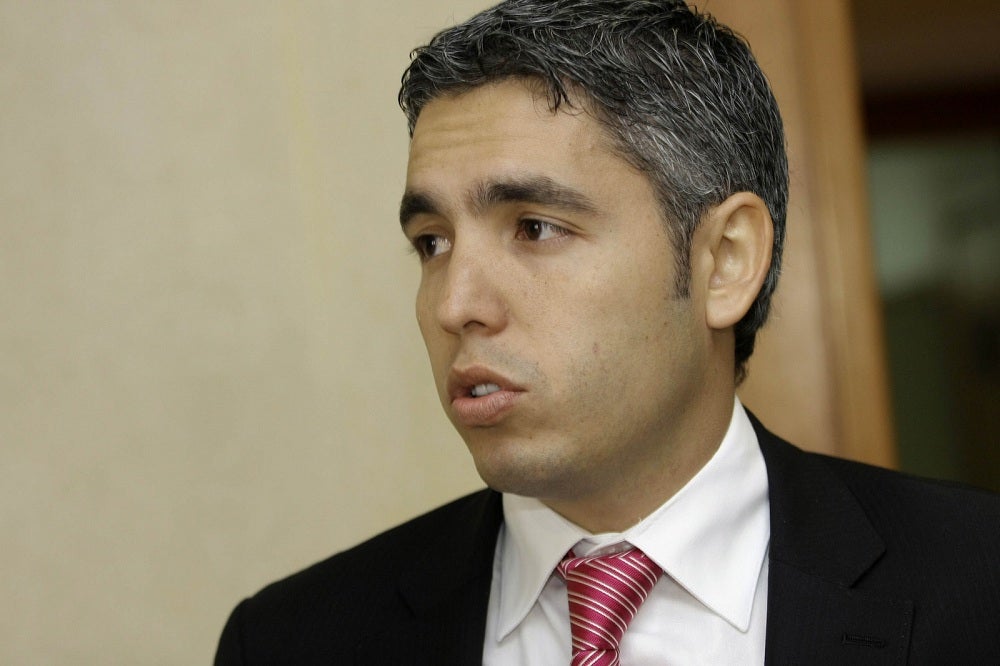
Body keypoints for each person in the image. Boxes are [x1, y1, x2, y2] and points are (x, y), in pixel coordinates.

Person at [214, 1, 1000, 663]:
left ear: (725, 262)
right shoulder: (291, 641)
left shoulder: (978, 589)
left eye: (534, 228)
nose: (455, 305)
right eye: (433, 242)